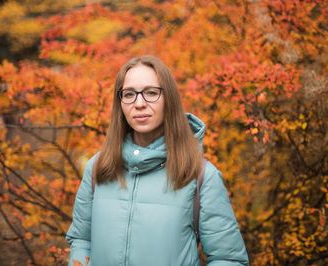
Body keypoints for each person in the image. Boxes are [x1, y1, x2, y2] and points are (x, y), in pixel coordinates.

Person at [66, 55, 249, 266]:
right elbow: (81, 240)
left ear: (168, 99)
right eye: (129, 94)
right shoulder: (98, 167)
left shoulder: (201, 176)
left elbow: (228, 259)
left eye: (151, 93)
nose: (140, 103)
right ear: (120, 103)